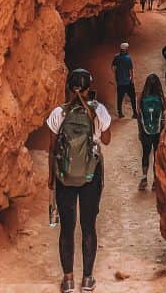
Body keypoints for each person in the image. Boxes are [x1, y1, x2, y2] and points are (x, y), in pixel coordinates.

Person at [48, 67, 111, 293]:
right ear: (88, 88)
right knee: (88, 226)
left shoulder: (60, 113)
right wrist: (95, 120)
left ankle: (68, 280)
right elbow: (107, 139)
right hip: (90, 176)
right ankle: (87, 280)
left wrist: (50, 178)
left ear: (68, 87)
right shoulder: (98, 111)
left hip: (64, 177)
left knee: (67, 228)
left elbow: (52, 148)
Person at [137, 73, 166, 191]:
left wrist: (140, 131)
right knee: (156, 155)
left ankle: (144, 179)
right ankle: (155, 181)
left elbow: (139, 116)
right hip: (158, 131)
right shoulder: (162, 99)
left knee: (145, 154)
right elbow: (164, 116)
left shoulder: (142, 98)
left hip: (145, 131)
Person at [111, 42, 137, 118]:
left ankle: (120, 113)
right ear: (126, 49)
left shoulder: (116, 57)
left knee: (120, 98)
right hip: (127, 82)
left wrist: (117, 74)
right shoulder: (128, 58)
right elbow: (130, 70)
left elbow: (113, 68)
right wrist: (132, 79)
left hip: (120, 82)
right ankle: (135, 113)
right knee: (132, 97)